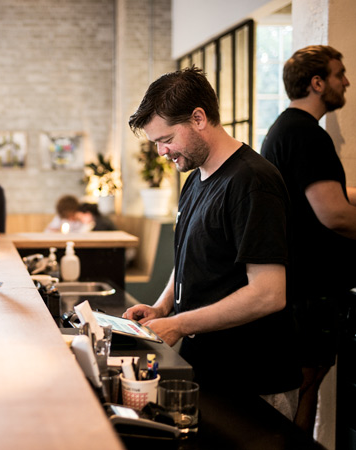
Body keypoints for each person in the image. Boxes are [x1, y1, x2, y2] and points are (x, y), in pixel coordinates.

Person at [124, 67, 301, 418]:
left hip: (254, 378)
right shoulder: (197, 178)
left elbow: (268, 293)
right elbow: (190, 255)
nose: (161, 152)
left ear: (199, 118)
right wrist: (163, 308)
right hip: (212, 371)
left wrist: (178, 324)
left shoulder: (252, 181)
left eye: (166, 138)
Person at [260, 45, 356, 435]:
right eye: (339, 74)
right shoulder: (308, 136)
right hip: (310, 287)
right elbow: (332, 213)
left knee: (305, 382)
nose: (346, 81)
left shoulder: (285, 129)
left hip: (300, 284)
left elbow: (315, 193)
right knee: (305, 382)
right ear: (317, 83)